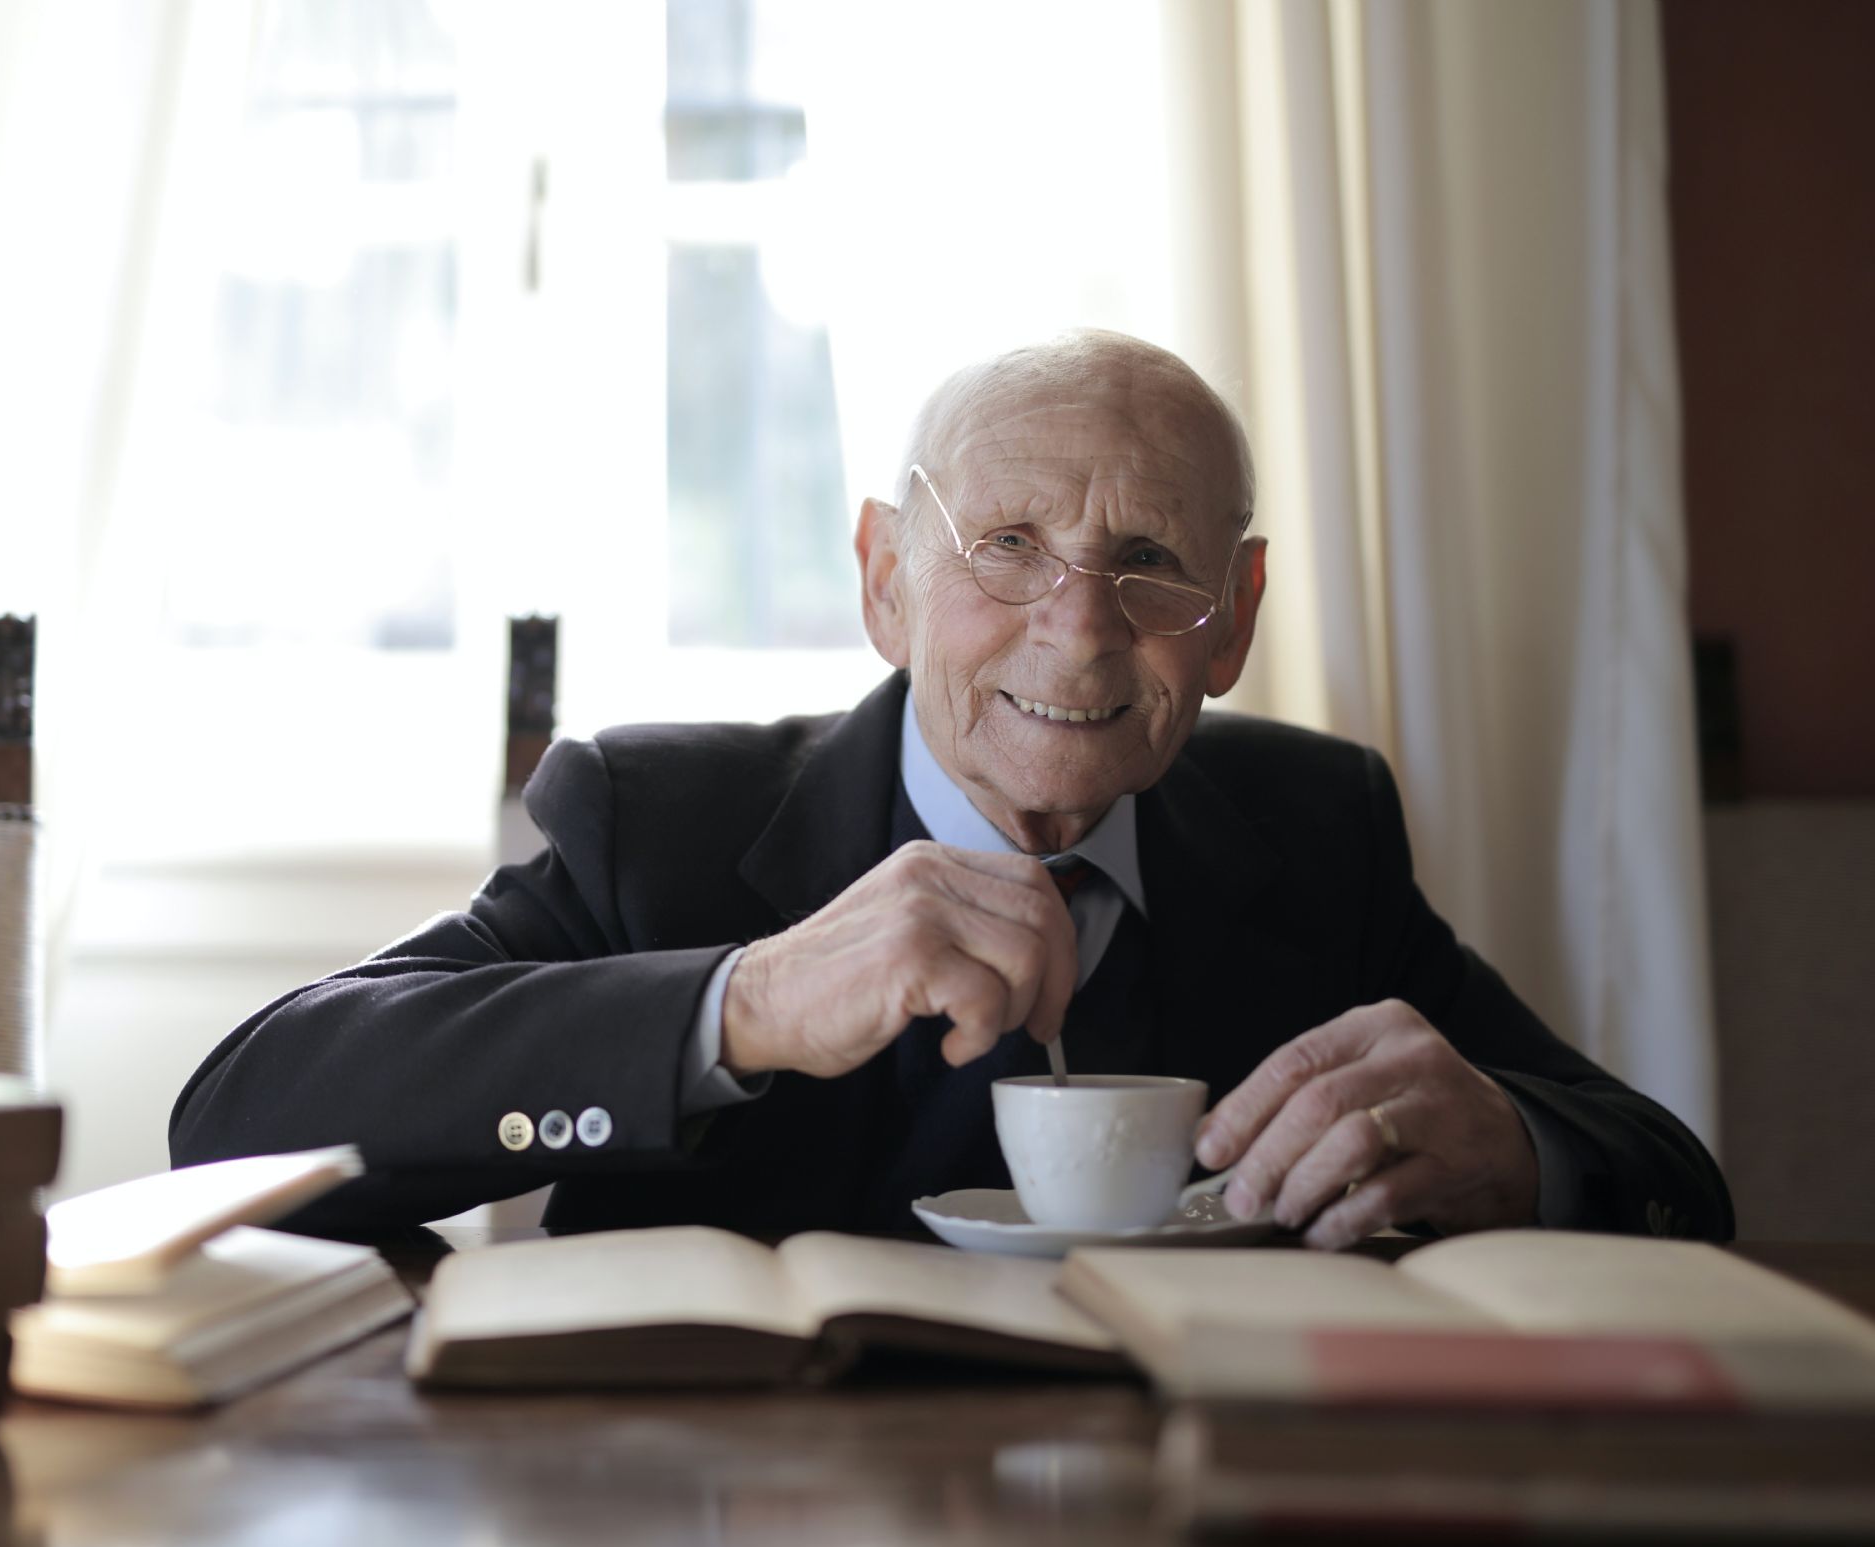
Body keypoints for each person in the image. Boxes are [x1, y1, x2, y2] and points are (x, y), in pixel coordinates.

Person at [168, 330, 1732, 1249]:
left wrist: (1522, 1152)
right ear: (886, 580)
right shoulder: (663, 829)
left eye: (1150, 565)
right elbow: (238, 1121)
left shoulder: (1313, 833)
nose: (1081, 625)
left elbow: (1671, 1177)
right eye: (1008, 548)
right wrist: (744, 1003)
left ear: (1236, 620)